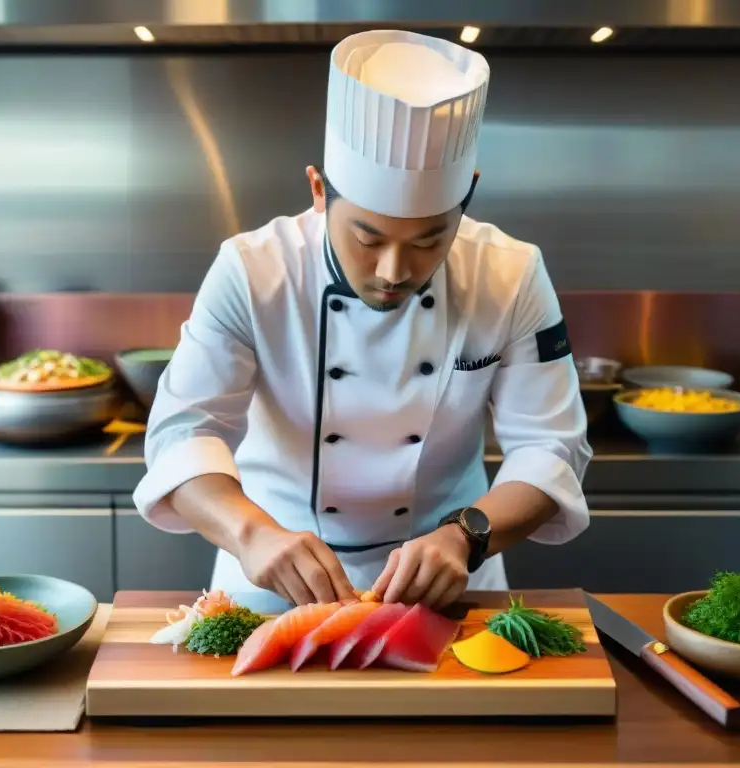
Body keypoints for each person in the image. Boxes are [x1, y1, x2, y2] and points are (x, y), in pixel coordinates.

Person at [133, 29, 592, 610]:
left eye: (430, 239)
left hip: (452, 582)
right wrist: (251, 534)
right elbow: (183, 433)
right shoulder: (253, 270)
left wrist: (467, 535)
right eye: (367, 237)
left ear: (467, 197)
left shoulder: (512, 274)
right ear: (319, 191)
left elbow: (552, 449)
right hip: (271, 582)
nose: (394, 270)